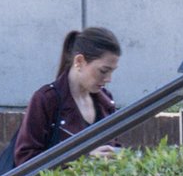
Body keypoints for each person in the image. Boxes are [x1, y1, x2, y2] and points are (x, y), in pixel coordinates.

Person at [11, 27, 122, 167]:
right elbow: (25, 160)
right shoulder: (46, 100)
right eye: (103, 71)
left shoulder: (106, 101)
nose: (109, 79)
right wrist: (84, 159)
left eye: (112, 71)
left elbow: (114, 146)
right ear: (79, 61)